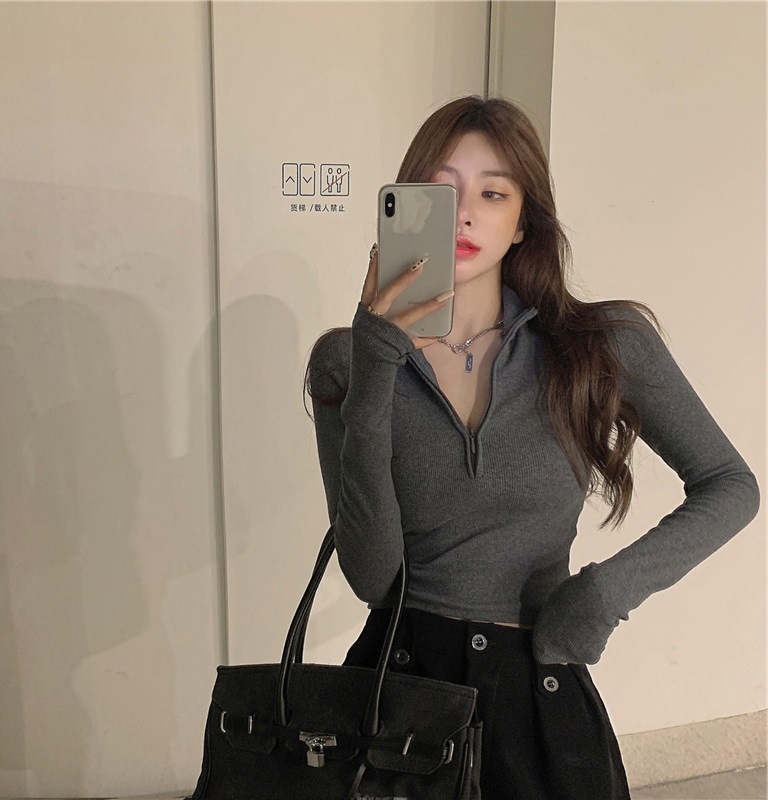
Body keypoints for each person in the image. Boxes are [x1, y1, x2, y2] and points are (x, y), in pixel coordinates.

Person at [304, 95, 760, 799]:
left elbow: (730, 483)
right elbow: (372, 579)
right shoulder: (347, 361)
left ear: (523, 223)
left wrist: (605, 594)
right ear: (404, 204)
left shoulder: (599, 347)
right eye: (442, 190)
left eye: (493, 194)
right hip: (398, 696)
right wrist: (376, 363)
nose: (464, 214)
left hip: (540, 696)